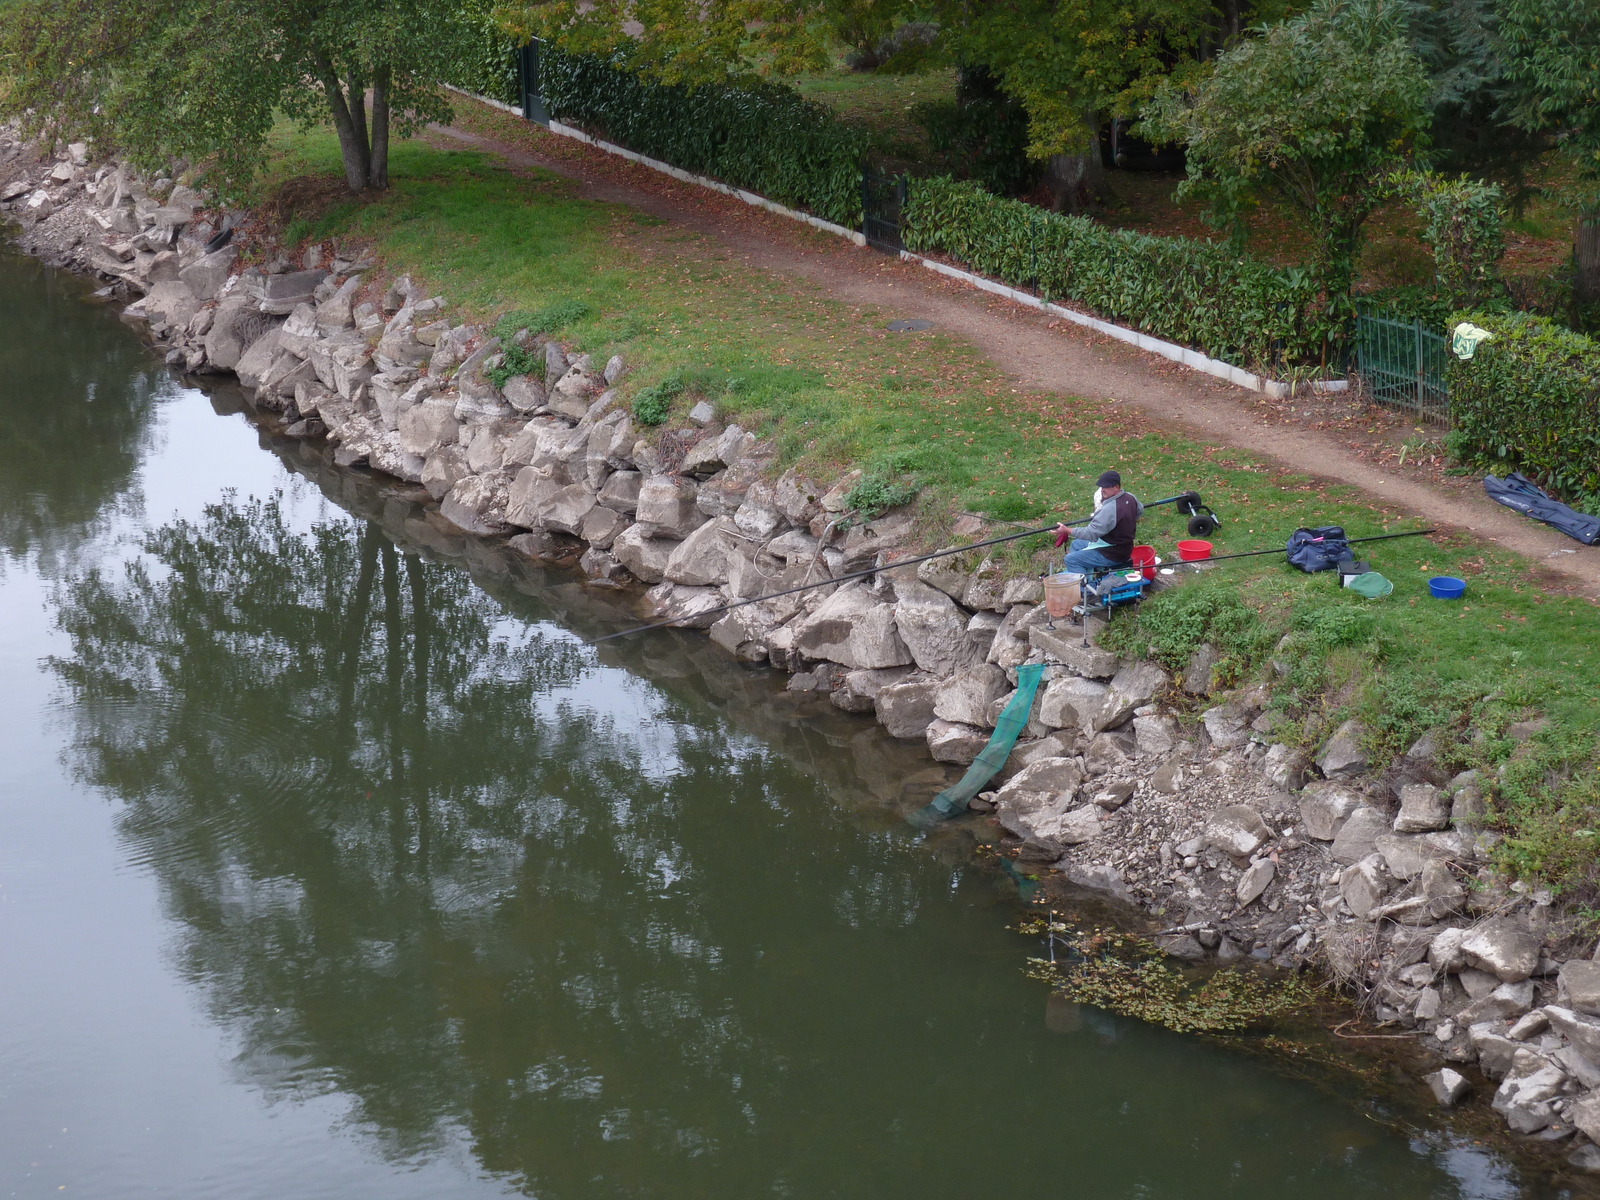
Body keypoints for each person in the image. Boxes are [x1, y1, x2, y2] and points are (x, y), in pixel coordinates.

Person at [1055, 470, 1143, 575]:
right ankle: (1090, 574)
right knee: (1076, 544)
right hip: (1125, 546)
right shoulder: (1130, 497)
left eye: (1105, 487)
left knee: (1071, 559)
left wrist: (1067, 530)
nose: (1102, 490)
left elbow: (1091, 534)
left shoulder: (1110, 509)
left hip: (1112, 554)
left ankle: (1085, 587)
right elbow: (1140, 511)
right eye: (1101, 487)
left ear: (1116, 487)